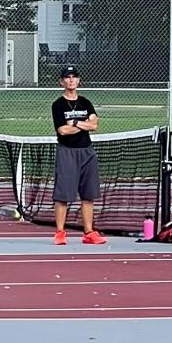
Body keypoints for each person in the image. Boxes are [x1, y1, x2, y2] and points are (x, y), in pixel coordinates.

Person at [50, 65, 105, 245]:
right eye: (67, 77)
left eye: (74, 77)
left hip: (87, 152)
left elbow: (94, 125)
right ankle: (60, 233)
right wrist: (83, 123)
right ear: (62, 81)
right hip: (67, 152)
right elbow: (63, 130)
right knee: (63, 195)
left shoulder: (85, 103)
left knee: (88, 194)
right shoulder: (58, 105)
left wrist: (75, 122)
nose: (71, 80)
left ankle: (89, 232)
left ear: (79, 80)